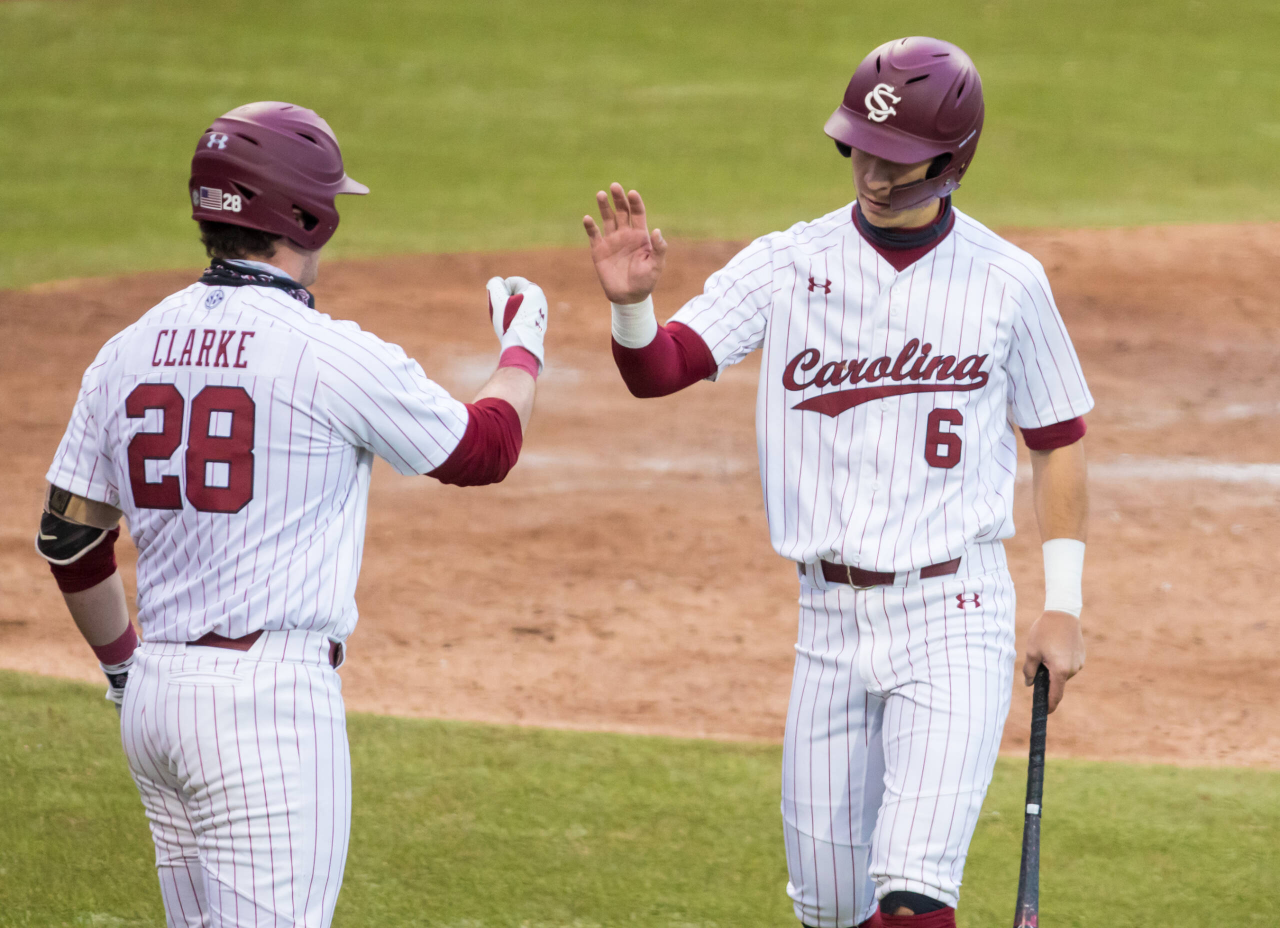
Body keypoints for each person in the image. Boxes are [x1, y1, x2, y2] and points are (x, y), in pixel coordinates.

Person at [583, 37, 1091, 928]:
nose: (873, 171)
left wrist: (1065, 604)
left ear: (952, 159)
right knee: (828, 908)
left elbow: (1058, 441)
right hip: (827, 625)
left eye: (897, 158)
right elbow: (658, 370)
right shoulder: (788, 263)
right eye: (861, 147)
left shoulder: (1009, 283)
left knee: (911, 894)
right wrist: (632, 305)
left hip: (954, 616)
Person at [36, 101, 548, 927]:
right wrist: (523, 347)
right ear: (307, 214)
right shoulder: (329, 353)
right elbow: (483, 450)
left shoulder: (127, 347)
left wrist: (125, 667)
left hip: (157, 697)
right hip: (263, 708)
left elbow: (68, 536)